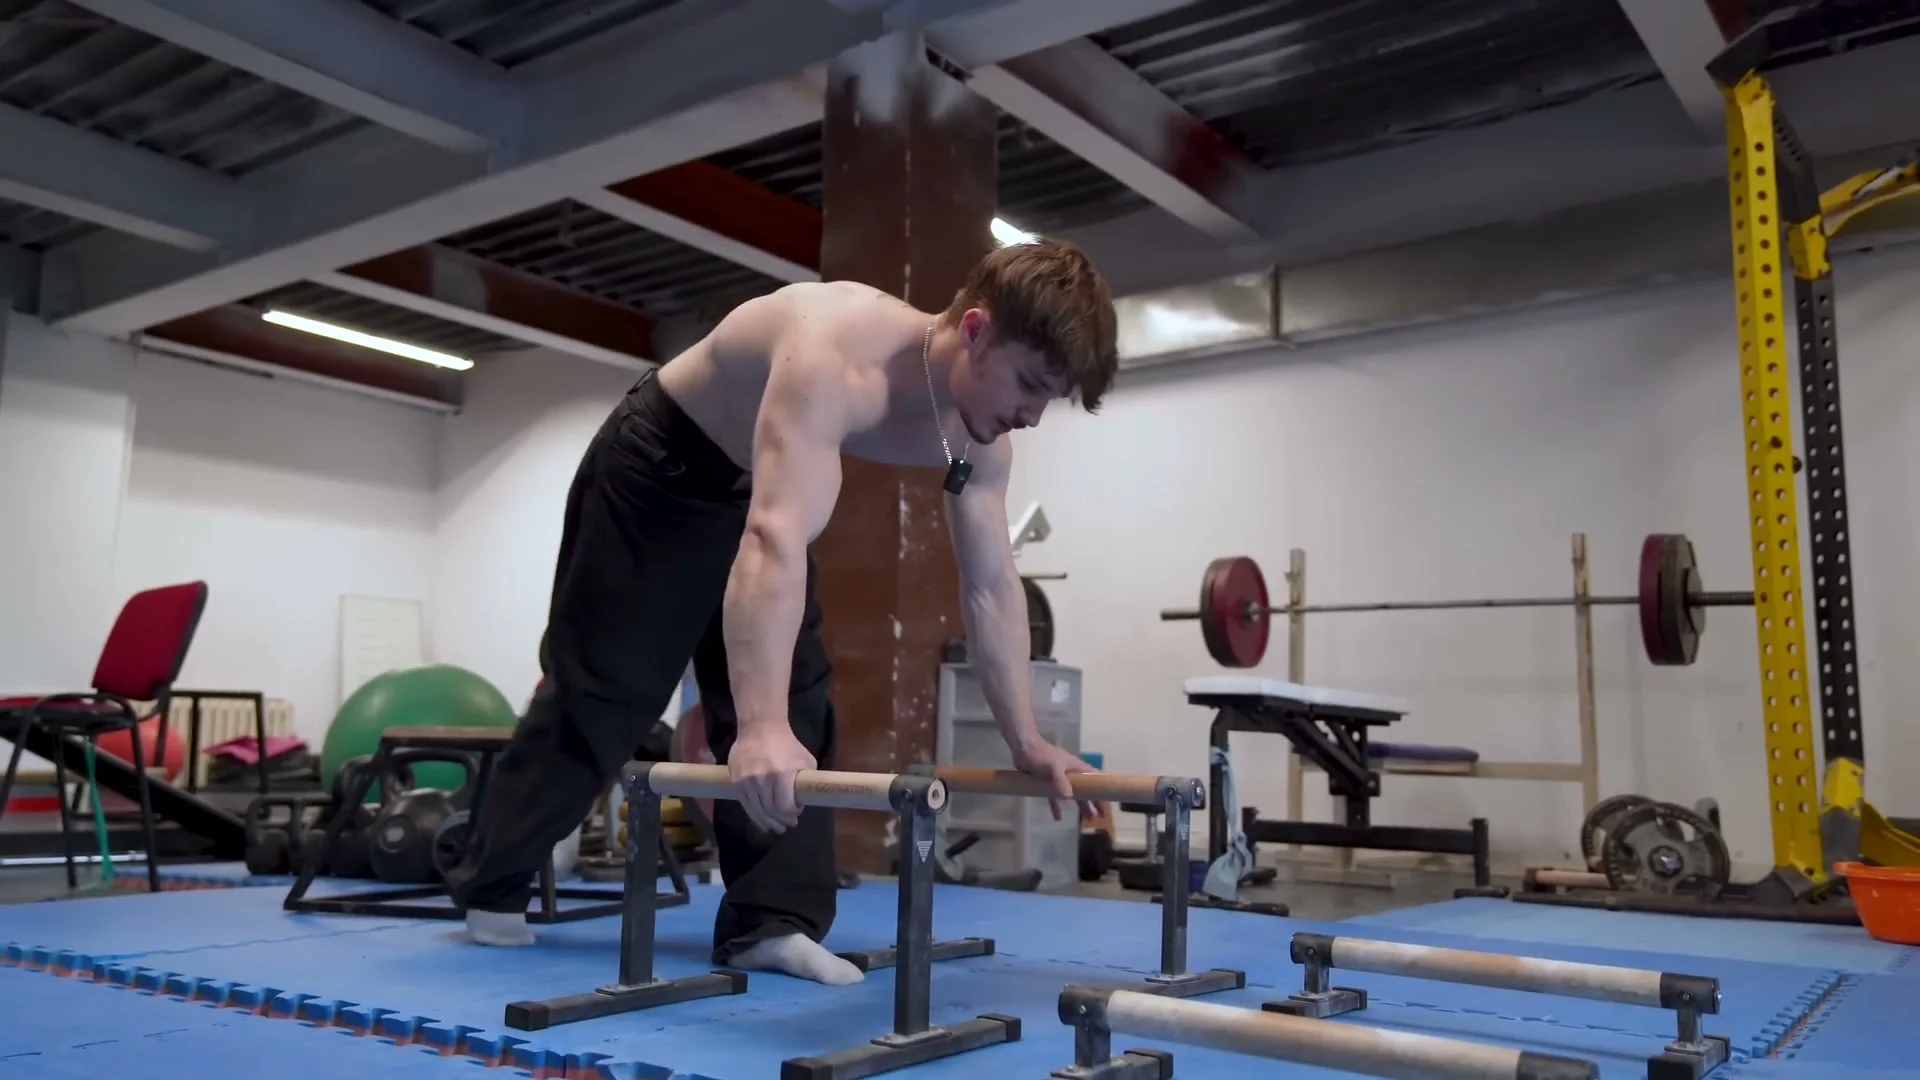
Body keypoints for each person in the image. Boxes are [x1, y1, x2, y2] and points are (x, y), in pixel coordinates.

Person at [444, 238, 1119, 986]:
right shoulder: (834, 356)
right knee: (610, 693)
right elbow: (773, 536)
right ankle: (492, 882)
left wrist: (1025, 738)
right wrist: (755, 730)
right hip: (657, 471)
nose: (1030, 415)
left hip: (754, 489)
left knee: (800, 696)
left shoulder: (979, 435)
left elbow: (991, 586)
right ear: (975, 331)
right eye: (1028, 384)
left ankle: (770, 924)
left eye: (1046, 400)